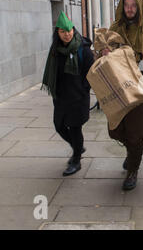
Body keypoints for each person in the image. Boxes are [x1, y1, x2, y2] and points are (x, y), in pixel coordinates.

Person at [107, 0, 143, 190]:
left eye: (133, 5)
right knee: (114, 130)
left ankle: (132, 170)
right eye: (126, 5)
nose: (130, 9)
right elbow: (105, 58)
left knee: (136, 133)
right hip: (117, 90)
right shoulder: (114, 29)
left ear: (139, 7)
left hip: (140, 90)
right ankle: (133, 151)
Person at [41, 12, 94, 176]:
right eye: (63, 32)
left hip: (78, 97)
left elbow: (92, 72)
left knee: (75, 128)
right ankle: (78, 148)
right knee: (59, 126)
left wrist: (83, 89)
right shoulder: (55, 49)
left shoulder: (83, 49)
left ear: (73, 29)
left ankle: (76, 160)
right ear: (57, 33)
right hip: (61, 97)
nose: (67, 34)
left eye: (69, 30)